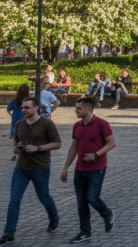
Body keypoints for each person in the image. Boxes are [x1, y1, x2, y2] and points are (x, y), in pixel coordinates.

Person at [1, 97, 61, 244]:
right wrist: (16, 147)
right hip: (21, 168)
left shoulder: (47, 123)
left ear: (36, 108)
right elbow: (16, 139)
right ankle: (9, 234)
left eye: (27, 107)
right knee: (14, 200)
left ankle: (54, 218)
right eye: (22, 107)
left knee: (44, 197)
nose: (23, 110)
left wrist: (38, 148)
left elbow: (57, 144)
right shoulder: (19, 124)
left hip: (40, 168)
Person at [60, 97, 115, 244]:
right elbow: (74, 147)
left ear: (88, 109)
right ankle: (85, 232)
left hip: (97, 168)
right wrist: (66, 168)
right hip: (80, 169)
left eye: (79, 108)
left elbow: (112, 143)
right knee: (81, 203)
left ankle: (107, 213)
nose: (75, 110)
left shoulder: (102, 124)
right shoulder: (77, 126)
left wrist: (96, 154)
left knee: (92, 198)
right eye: (76, 108)